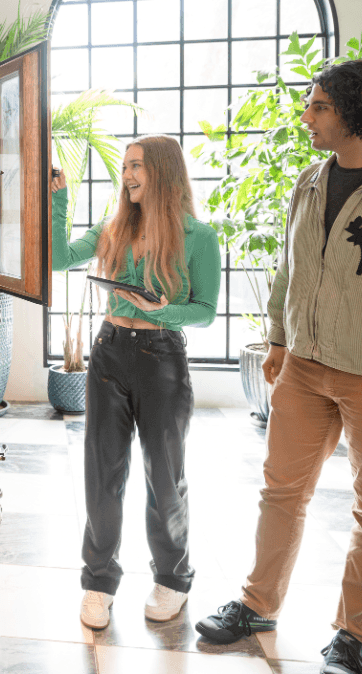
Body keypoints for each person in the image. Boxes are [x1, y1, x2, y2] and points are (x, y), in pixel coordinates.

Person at [194, 60, 362, 674]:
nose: (306, 116)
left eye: (319, 106)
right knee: (280, 492)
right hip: (304, 370)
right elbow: (290, 269)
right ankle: (257, 605)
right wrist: (279, 339)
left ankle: (353, 635)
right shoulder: (310, 181)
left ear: (355, 114)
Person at [52, 135, 222, 629]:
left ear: (163, 172)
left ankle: (172, 579)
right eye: (125, 166)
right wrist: (60, 200)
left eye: (137, 166)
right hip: (108, 354)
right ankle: (98, 582)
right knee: (101, 473)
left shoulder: (198, 236)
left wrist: (162, 310)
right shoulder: (113, 228)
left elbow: (206, 311)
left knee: (165, 477)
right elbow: (60, 258)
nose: (126, 175)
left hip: (161, 359)